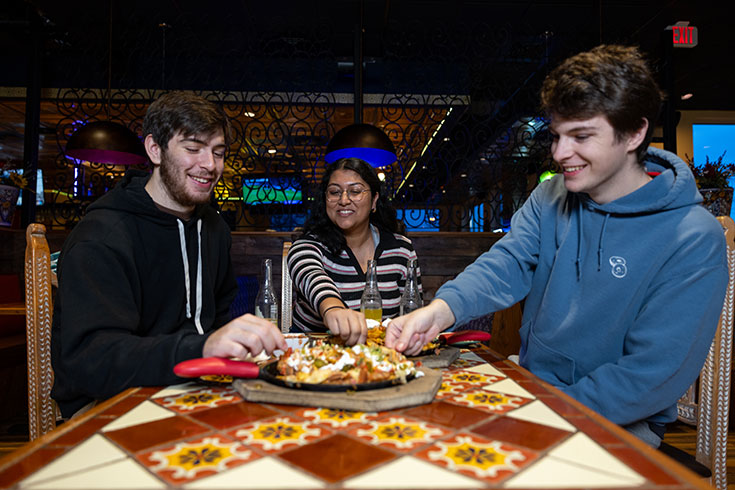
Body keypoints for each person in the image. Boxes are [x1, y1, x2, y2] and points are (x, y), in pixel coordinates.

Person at [386, 44, 728, 447]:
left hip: (616, 426)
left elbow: (649, 376)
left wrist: (540, 415)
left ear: (635, 132)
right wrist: (441, 311)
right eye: (557, 136)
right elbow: (508, 262)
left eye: (581, 136)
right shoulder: (551, 196)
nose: (560, 154)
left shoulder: (693, 236)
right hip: (535, 391)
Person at [51, 92, 286, 418]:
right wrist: (202, 349)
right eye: (193, 149)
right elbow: (92, 362)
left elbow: (216, 315)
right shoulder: (102, 236)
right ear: (154, 149)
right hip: (108, 402)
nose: (209, 165)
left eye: (218, 152)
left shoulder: (214, 228)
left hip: (197, 388)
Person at [287, 157, 421, 345]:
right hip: (313, 358)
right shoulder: (307, 246)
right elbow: (312, 277)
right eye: (334, 192)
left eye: (355, 191)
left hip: (383, 356)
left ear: (374, 200)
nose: (343, 200)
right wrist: (333, 310)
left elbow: (412, 309)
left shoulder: (401, 249)